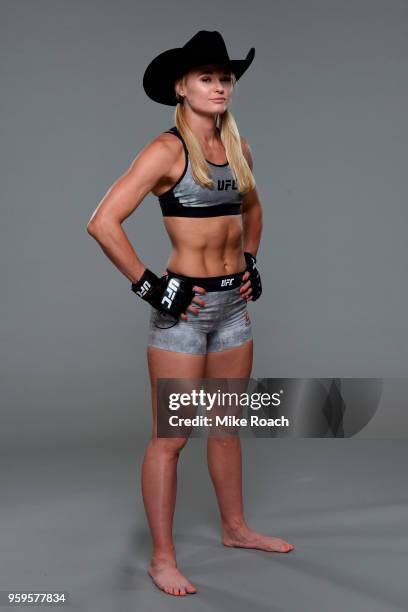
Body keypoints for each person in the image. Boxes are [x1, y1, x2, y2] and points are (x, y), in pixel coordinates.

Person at [87, 30, 294, 598]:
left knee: (227, 428)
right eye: (207, 77)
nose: (220, 86)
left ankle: (235, 528)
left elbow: (252, 207)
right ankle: (162, 558)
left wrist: (250, 261)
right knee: (172, 438)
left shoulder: (239, 148)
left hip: (233, 308)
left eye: (225, 78)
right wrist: (153, 289)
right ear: (181, 87)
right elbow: (102, 222)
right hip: (185, 312)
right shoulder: (167, 151)